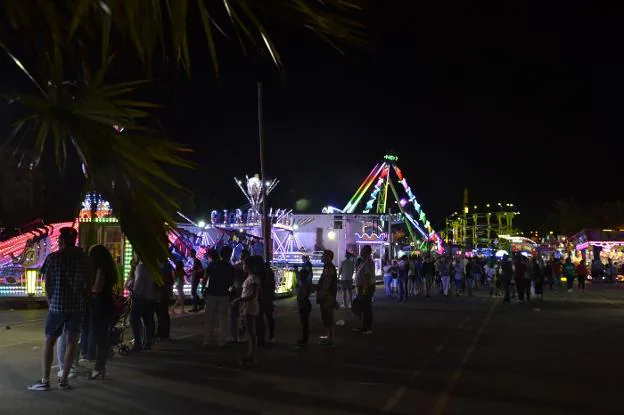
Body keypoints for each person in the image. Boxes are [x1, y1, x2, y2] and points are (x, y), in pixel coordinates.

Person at [29, 227, 93, 391]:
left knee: (50, 341)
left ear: (62, 240)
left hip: (57, 306)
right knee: (72, 342)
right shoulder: (84, 259)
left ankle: (45, 380)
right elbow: (89, 283)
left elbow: (48, 282)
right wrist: (83, 300)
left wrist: (50, 300)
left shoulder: (53, 258)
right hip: (76, 306)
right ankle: (64, 380)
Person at [86, 245, 119, 380]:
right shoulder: (109, 269)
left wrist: (88, 288)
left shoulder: (101, 269)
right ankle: (99, 366)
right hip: (106, 303)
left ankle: (99, 367)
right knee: (101, 335)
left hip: (100, 304)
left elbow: (97, 288)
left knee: (100, 336)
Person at [232, 255, 263, 366]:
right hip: (247, 306)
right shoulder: (250, 278)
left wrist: (239, 299)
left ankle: (251, 356)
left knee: (250, 332)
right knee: (249, 331)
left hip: (250, 306)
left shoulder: (253, 278)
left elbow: (253, 295)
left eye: (244, 264)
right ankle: (250, 355)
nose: (243, 266)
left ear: (248, 266)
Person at [202, 247, 234, 348]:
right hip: (224, 294)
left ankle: (207, 340)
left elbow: (205, 278)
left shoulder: (213, 264)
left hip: (212, 293)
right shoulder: (230, 267)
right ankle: (222, 341)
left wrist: (203, 289)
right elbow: (232, 282)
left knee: (209, 319)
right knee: (223, 318)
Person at [128, 259, 156, 352]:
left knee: (134, 320)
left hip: (140, 299)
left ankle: (138, 343)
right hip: (150, 298)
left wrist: (134, 293)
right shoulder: (152, 267)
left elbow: (138, 283)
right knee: (148, 322)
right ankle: (148, 343)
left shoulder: (140, 267)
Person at [316, 250, 338, 346]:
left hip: (327, 296)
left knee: (328, 317)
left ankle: (331, 339)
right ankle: (329, 337)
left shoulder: (329, 267)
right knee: (326, 317)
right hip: (328, 295)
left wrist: (322, 294)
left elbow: (327, 283)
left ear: (328, 257)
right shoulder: (328, 267)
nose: (322, 257)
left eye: (323, 255)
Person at [353, 245, 375, 334]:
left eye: (363, 250)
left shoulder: (368, 262)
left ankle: (365, 327)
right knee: (363, 307)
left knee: (366, 307)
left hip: (366, 287)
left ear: (367, 252)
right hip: (362, 287)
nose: (361, 252)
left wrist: (365, 290)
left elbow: (367, 276)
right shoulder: (363, 261)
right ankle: (363, 325)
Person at [230, 250, 249, 342]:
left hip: (242, 294)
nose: (241, 258)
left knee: (241, 316)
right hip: (238, 293)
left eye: (243, 257)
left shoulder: (244, 269)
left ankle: (238, 335)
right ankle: (236, 335)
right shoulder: (238, 268)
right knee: (237, 315)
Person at [257, 261, 276, 346]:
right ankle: (269, 335)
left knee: (262, 318)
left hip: (264, 298)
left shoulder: (262, 273)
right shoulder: (269, 272)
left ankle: (263, 337)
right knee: (268, 317)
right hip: (267, 298)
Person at [156, 259, 174, 340]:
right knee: (161, 313)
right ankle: (162, 332)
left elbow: (168, 280)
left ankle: (163, 333)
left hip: (162, 292)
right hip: (162, 292)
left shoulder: (164, 266)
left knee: (162, 313)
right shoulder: (165, 265)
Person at [295, 263, 312, 347]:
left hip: (304, 305)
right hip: (305, 304)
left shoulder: (303, 284)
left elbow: (304, 293)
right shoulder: (305, 282)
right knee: (305, 323)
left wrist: (300, 297)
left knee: (304, 323)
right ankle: (305, 338)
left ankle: (305, 339)